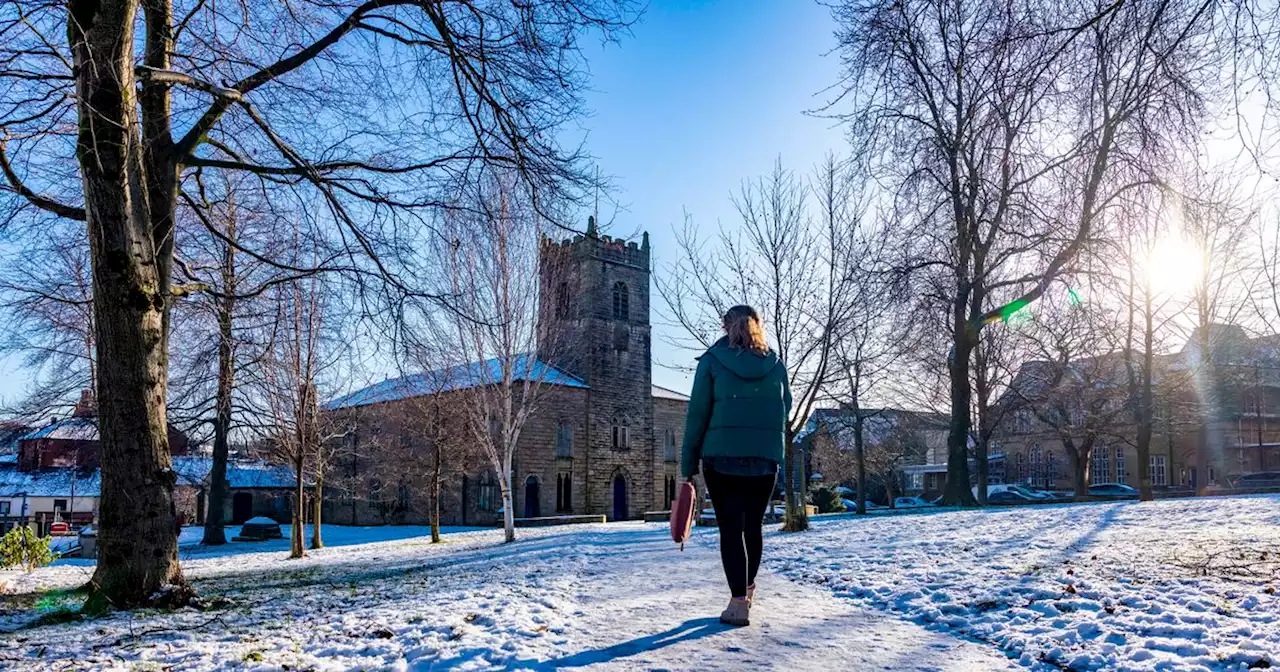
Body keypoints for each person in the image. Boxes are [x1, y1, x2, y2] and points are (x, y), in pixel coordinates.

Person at [680, 305, 791, 627]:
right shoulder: (774, 363)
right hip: (764, 459)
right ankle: (748, 591)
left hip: (721, 457)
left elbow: (697, 414)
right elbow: (786, 406)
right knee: (752, 528)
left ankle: (738, 602)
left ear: (725, 327)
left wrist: (688, 464)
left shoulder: (713, 361)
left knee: (730, 529)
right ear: (758, 326)